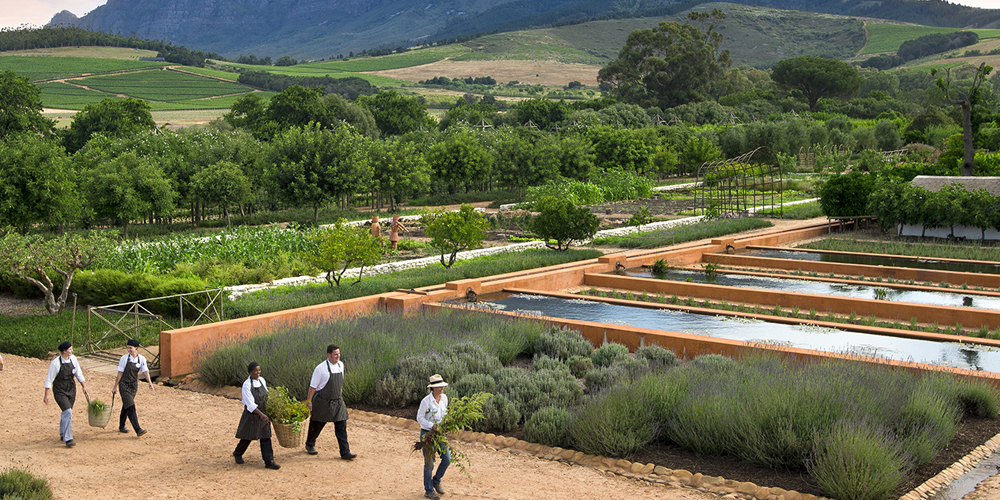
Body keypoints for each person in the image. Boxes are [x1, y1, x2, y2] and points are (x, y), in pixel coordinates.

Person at [304, 344, 356, 459]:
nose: (338, 356)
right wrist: (309, 401)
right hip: (323, 401)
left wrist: (339, 393)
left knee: (341, 426)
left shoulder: (341, 365)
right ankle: (309, 444)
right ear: (329, 355)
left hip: (338, 401)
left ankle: (345, 452)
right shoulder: (320, 369)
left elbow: (340, 383)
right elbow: (313, 387)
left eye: (339, 354)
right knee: (317, 424)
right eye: (335, 354)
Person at [233, 361, 280, 469]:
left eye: (259, 370)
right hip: (253, 415)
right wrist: (261, 415)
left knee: (266, 437)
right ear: (250, 372)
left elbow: (267, 395)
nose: (258, 372)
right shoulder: (247, 385)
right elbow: (250, 404)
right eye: (255, 371)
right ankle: (238, 453)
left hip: (264, 414)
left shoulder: (262, 380)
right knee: (247, 436)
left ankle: (269, 461)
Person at [43, 342, 88, 448]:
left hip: (71, 389)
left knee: (66, 413)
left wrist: (83, 386)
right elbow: (49, 380)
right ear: (64, 351)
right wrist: (46, 395)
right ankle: (68, 439)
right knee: (67, 411)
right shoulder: (55, 363)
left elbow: (78, 373)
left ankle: (63, 434)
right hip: (60, 390)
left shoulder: (73, 359)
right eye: (70, 349)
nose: (71, 351)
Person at [417, 374, 451, 500]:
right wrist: (432, 426)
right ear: (433, 388)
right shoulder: (426, 401)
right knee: (429, 463)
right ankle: (429, 490)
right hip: (428, 434)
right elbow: (419, 418)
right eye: (439, 386)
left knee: (447, 458)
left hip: (440, 434)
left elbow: (445, 412)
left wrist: (446, 423)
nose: (442, 388)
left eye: (442, 386)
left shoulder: (444, 398)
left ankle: (436, 480)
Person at [112, 339, 154, 436]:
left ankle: (121, 426)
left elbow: (145, 371)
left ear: (136, 348)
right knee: (131, 406)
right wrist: (115, 386)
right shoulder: (124, 359)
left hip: (133, 386)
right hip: (124, 385)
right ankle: (138, 429)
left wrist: (149, 382)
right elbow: (120, 373)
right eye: (127, 348)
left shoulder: (142, 359)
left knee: (126, 405)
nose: (129, 350)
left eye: (130, 348)